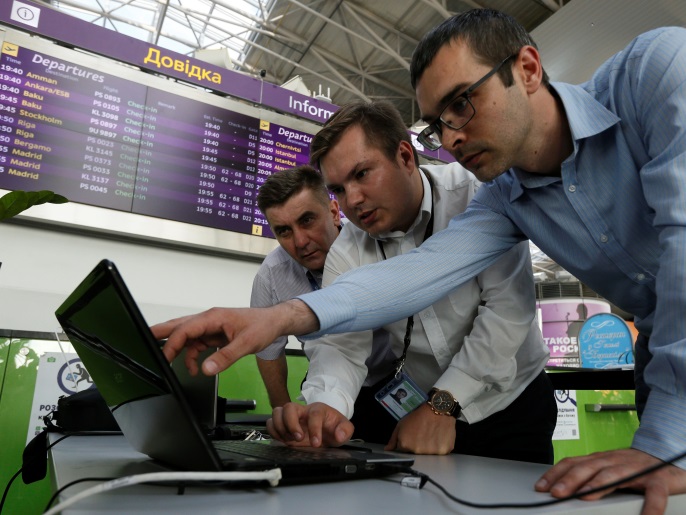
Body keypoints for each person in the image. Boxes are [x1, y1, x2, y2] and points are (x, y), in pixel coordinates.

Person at [153, 9, 686, 512]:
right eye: (437, 122)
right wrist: (281, 319)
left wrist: (665, 438)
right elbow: (420, 273)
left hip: (525, 398)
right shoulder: (505, 196)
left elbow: (514, 314)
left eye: (462, 102)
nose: (451, 137)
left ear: (526, 68)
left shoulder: (656, 72)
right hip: (662, 362)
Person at [270, 100, 555, 463]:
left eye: (362, 174)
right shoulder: (348, 249)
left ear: (405, 156)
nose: (353, 201)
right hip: (422, 414)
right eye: (338, 189)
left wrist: (443, 405)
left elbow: (507, 313)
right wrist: (324, 406)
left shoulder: (476, 196)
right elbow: (341, 346)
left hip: (511, 405)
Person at [252, 165, 396, 407]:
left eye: (307, 220)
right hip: (326, 382)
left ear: (333, 212)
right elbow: (268, 349)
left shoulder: (377, 246)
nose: (300, 242)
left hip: (394, 381)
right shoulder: (271, 274)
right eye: (284, 231)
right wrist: (281, 409)